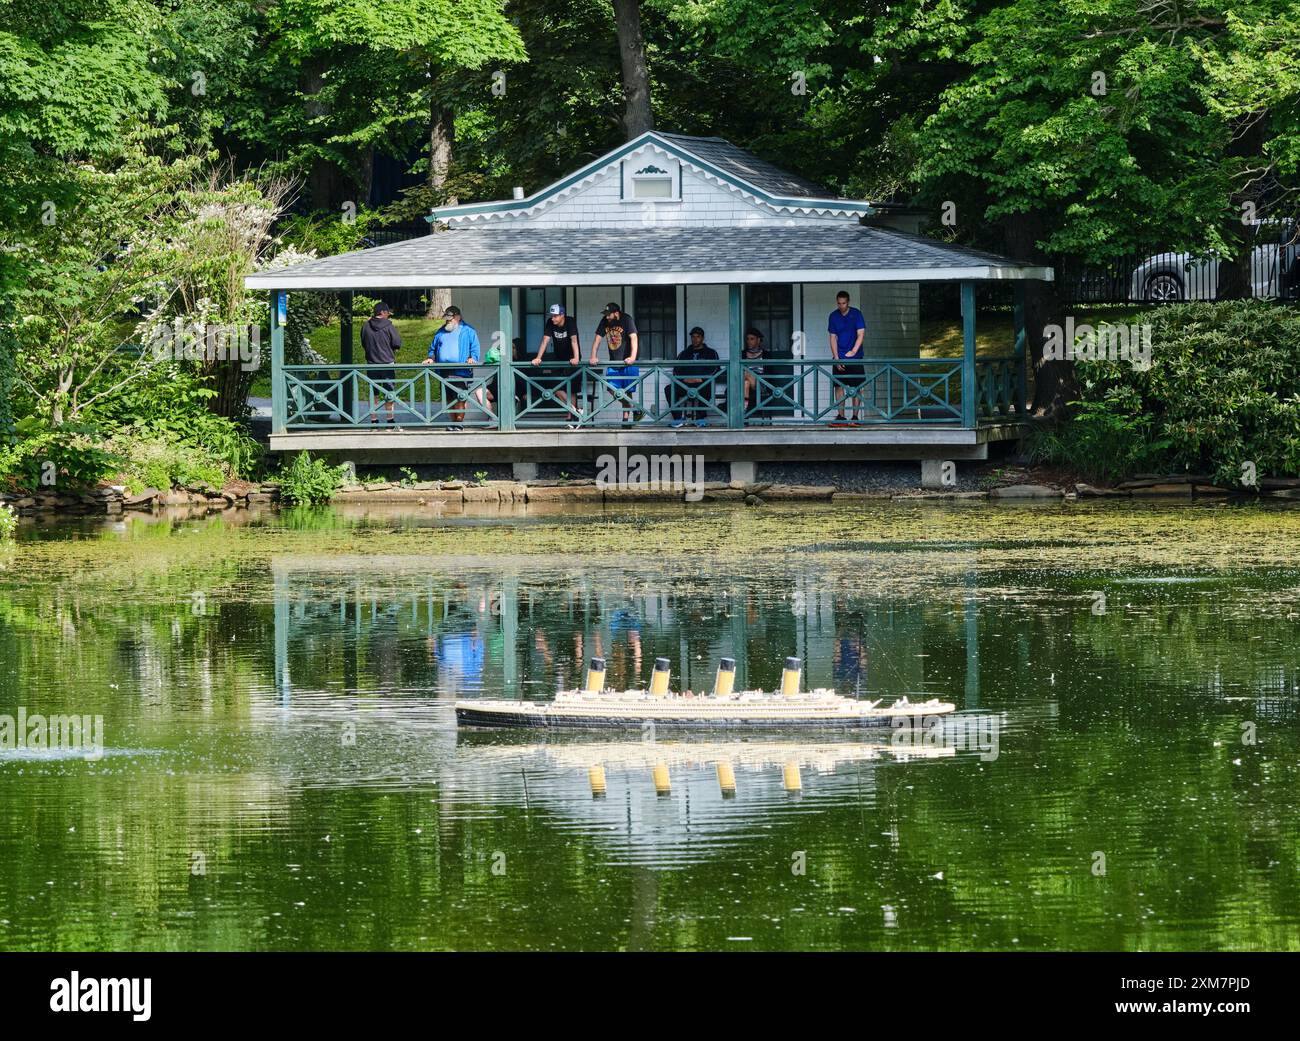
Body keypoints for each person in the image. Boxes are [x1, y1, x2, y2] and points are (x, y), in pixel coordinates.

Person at [423, 305, 481, 429]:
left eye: (450, 319)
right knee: (448, 398)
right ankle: (453, 422)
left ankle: (459, 422)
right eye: (447, 319)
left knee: (460, 397)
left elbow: (475, 348)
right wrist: (430, 358)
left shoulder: (468, 330)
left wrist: (473, 358)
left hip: (461, 371)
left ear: (458, 317)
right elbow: (432, 349)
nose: (447, 321)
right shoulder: (441, 331)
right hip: (443, 371)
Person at [589, 301, 639, 424]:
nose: (606, 317)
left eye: (608, 314)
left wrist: (632, 357)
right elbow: (597, 339)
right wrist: (593, 356)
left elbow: (634, 337)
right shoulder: (605, 321)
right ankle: (635, 409)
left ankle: (626, 419)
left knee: (627, 391)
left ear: (616, 313)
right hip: (614, 362)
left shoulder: (627, 319)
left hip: (627, 361)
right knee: (612, 389)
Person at [533, 303, 582, 424]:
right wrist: (538, 358)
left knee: (573, 390)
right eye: (552, 316)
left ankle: (571, 419)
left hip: (572, 360)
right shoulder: (550, 323)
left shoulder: (570, 322)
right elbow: (545, 340)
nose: (553, 318)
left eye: (555, 316)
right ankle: (576, 412)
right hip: (559, 359)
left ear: (562, 315)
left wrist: (576, 358)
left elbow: (574, 340)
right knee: (556, 387)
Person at [359, 302, 402, 425]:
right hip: (387, 363)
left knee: (373, 392)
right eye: (388, 313)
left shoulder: (365, 326)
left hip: (371, 363)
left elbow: (363, 342)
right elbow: (397, 343)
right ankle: (390, 419)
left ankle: (374, 419)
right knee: (389, 392)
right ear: (383, 312)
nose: (388, 316)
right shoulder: (389, 326)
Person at [667, 326, 720, 427]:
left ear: (702, 338)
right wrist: (684, 379)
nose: (695, 339)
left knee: (708, 387)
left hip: (702, 383)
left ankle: (700, 419)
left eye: (698, 337)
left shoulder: (711, 353)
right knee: (669, 389)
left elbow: (716, 369)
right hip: (685, 383)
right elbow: (676, 370)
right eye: (693, 337)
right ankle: (678, 419)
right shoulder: (684, 353)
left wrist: (701, 379)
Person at [828, 290, 867, 426]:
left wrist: (854, 351)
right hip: (839, 357)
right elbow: (833, 337)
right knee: (838, 386)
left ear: (848, 302)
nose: (841, 306)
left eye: (844, 303)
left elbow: (861, 333)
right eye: (839, 303)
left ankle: (855, 417)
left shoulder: (856, 314)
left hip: (855, 357)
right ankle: (841, 416)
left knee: (856, 386)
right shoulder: (833, 316)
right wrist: (836, 358)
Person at [740, 327, 767, 413]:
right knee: (746, 383)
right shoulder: (743, 354)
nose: (749, 341)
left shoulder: (766, 354)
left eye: (752, 339)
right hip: (745, 383)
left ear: (758, 340)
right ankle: (744, 412)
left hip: (761, 384)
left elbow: (769, 373)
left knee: (746, 373)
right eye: (747, 339)